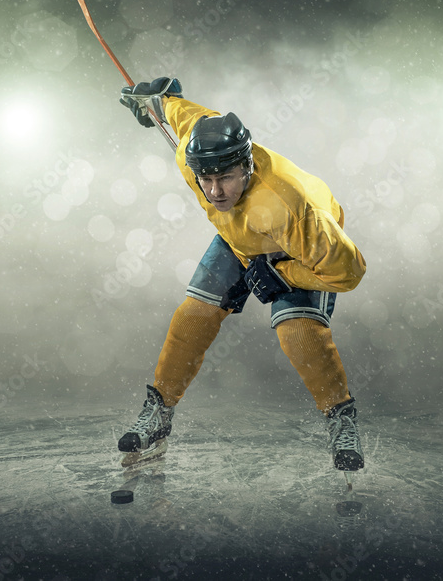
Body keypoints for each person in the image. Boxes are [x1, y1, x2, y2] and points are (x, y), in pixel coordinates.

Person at [115, 77, 368, 471]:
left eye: (227, 178)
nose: (215, 192)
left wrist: (282, 274)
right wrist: (155, 103)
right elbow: (183, 113)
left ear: (247, 165)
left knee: (297, 332)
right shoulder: (189, 154)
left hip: (294, 250)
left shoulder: (291, 209)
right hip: (241, 240)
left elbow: (348, 274)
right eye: (207, 179)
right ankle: (159, 414)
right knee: (193, 317)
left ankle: (341, 419)